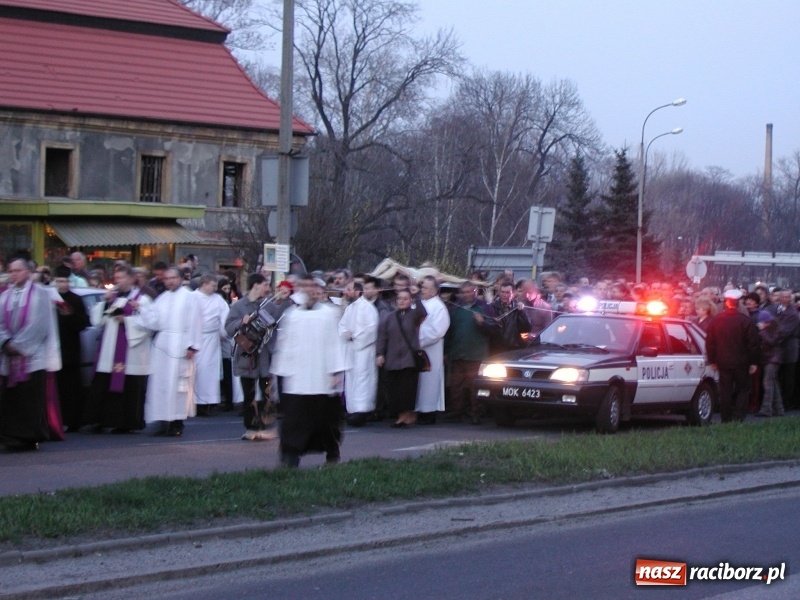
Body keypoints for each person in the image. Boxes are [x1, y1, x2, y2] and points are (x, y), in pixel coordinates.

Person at [271, 276, 346, 467]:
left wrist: (336, 372)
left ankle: (332, 453)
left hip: (321, 376)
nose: (309, 290)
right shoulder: (292, 315)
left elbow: (334, 343)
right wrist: (280, 373)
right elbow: (284, 344)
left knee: (325, 420)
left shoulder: (329, 314)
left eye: (313, 286)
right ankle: (290, 455)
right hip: (297, 379)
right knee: (294, 419)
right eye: (305, 286)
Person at [0, 258, 61, 451]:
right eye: (11, 271)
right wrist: (6, 342)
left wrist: (19, 346)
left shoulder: (40, 294)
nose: (13, 274)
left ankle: (28, 436)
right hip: (9, 357)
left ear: (27, 272)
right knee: (11, 399)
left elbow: (39, 324)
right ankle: (10, 436)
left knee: (29, 399)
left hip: (32, 357)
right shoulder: (4, 296)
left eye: (17, 270)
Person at [85, 265, 153, 433]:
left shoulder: (142, 299)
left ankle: (125, 423)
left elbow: (150, 324)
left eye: (121, 278)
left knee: (128, 389)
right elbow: (96, 321)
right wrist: (104, 302)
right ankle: (100, 420)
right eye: (116, 278)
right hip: (109, 351)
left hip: (131, 353)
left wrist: (128, 321)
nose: (117, 282)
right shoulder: (113, 297)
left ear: (131, 279)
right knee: (103, 385)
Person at [140, 266, 203, 437]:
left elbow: (195, 322)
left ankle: (176, 422)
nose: (170, 281)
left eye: (173, 277)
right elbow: (154, 322)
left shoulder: (189, 297)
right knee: (160, 385)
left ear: (181, 279)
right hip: (162, 346)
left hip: (181, 345)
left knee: (177, 386)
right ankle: (162, 420)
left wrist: (192, 345)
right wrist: (141, 309)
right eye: (167, 278)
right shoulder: (162, 298)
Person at [225, 273, 288, 440]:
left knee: (267, 392)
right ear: (256, 286)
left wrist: (282, 301)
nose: (267, 289)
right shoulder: (239, 306)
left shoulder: (269, 306)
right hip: (247, 357)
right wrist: (241, 322)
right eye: (265, 285)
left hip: (265, 358)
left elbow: (282, 322)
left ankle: (266, 426)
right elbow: (228, 328)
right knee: (249, 394)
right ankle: (252, 427)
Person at [705, 289, 761, 423]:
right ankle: (739, 417)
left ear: (725, 303)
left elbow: (710, 342)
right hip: (742, 362)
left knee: (725, 390)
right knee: (743, 389)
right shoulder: (745, 321)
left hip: (723, 362)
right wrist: (754, 362)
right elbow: (753, 343)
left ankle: (725, 418)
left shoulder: (716, 320)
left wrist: (712, 360)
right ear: (738, 303)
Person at [376, 287, 427, 428]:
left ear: (410, 301)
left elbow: (423, 312)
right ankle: (402, 416)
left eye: (405, 298)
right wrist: (379, 354)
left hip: (409, 359)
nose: (402, 301)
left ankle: (406, 416)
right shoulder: (389, 317)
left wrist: (416, 294)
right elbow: (382, 337)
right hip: (392, 360)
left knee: (407, 390)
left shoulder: (414, 315)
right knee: (395, 390)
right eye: (399, 298)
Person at [444, 281, 490, 424]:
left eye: (469, 292)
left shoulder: (484, 308)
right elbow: (449, 331)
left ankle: (475, 412)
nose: (466, 295)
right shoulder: (455, 308)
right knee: (455, 385)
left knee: (474, 386)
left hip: (476, 354)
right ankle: (456, 411)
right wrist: (446, 351)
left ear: (475, 292)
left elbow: (494, 329)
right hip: (458, 352)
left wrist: (482, 323)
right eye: (463, 292)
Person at [51, 265, 90, 432]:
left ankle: (73, 420)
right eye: (60, 281)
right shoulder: (50, 299)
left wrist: (70, 316)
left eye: (66, 281)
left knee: (71, 387)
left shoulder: (75, 299)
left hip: (70, 350)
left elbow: (83, 323)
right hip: (53, 348)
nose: (63, 285)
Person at [338, 281, 379, 426]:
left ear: (357, 291)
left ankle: (361, 412)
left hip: (364, 350)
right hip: (351, 351)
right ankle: (352, 410)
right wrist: (345, 334)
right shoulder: (349, 309)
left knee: (362, 380)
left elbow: (371, 329)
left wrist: (355, 336)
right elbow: (341, 326)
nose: (345, 292)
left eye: (348, 289)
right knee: (351, 380)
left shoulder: (367, 308)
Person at [193, 273, 230, 416]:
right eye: (213, 285)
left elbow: (225, 318)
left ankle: (208, 402)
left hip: (212, 339)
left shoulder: (218, 300)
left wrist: (223, 333)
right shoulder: (192, 298)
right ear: (204, 284)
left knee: (210, 372)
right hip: (196, 337)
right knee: (197, 370)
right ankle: (195, 402)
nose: (215, 288)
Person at [415, 276, 450, 424]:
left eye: (426, 288)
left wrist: (418, 340)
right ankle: (417, 411)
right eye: (422, 287)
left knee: (429, 382)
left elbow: (437, 331)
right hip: (415, 350)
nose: (422, 290)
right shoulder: (417, 304)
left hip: (430, 351)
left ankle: (428, 413)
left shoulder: (439, 307)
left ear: (435, 290)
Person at [485, 280, 532, 354]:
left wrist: (521, 312)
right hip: (496, 349)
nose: (504, 295)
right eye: (502, 292)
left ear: (513, 294)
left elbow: (527, 328)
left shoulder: (518, 308)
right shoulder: (492, 307)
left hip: (514, 349)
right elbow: (488, 329)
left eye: (507, 292)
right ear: (499, 293)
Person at [755, 311, 784, 417]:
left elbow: (771, 342)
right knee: (773, 384)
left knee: (767, 383)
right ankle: (779, 409)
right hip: (770, 359)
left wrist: (762, 331)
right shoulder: (773, 328)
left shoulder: (777, 330)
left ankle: (766, 409)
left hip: (773, 359)